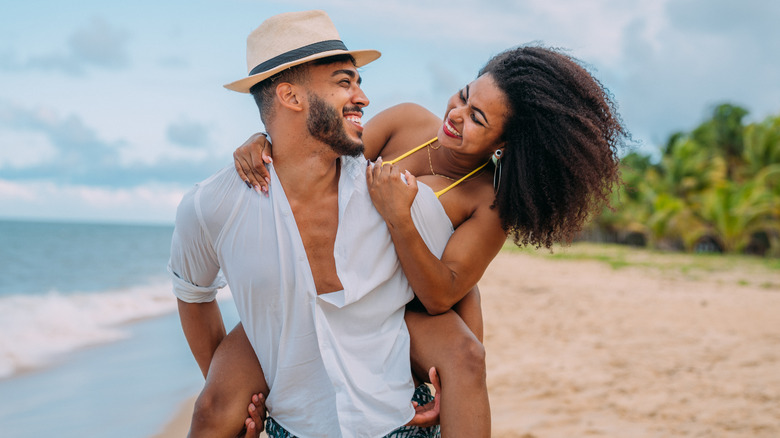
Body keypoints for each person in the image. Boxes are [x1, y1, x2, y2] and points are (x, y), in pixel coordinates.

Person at [233, 43, 627, 435]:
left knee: (468, 358)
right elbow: (326, 155)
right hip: (330, 277)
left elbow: (443, 294)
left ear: (502, 146)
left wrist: (400, 219)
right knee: (218, 404)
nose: (456, 114)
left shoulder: (489, 203)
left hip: (404, 303)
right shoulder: (406, 121)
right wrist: (265, 141)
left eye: (477, 118)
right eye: (463, 95)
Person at [169, 10, 457, 438]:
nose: (362, 98)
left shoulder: (395, 195)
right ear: (291, 96)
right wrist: (232, 390)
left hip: (403, 425)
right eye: (345, 82)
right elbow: (193, 294)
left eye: (359, 83)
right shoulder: (212, 206)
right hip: (289, 428)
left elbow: (455, 290)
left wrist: (453, 381)